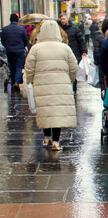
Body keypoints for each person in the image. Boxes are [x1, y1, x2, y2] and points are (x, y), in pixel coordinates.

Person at [24, 20, 78, 151]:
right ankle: (56, 142)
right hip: (61, 84)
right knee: (57, 113)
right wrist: (70, 79)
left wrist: (30, 81)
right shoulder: (65, 47)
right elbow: (73, 66)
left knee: (45, 111)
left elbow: (29, 67)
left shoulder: (36, 48)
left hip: (42, 84)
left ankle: (46, 137)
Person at [59, 14, 87, 94]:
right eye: (61, 19)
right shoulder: (59, 29)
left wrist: (84, 51)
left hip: (75, 53)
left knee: (73, 71)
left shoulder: (75, 29)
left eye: (63, 19)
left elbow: (81, 41)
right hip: (63, 54)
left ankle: (74, 88)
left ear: (67, 19)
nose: (62, 20)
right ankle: (66, 88)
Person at [1, 14, 28, 91]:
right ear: (17, 20)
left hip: (9, 50)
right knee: (19, 67)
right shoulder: (22, 29)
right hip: (19, 51)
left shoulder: (5, 29)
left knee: (12, 66)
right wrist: (23, 46)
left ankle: (13, 82)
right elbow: (25, 40)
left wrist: (7, 46)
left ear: (10, 20)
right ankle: (16, 82)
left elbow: (3, 41)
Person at [93, 18, 108, 92]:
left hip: (103, 69)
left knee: (105, 90)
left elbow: (96, 55)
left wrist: (98, 63)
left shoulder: (99, 38)